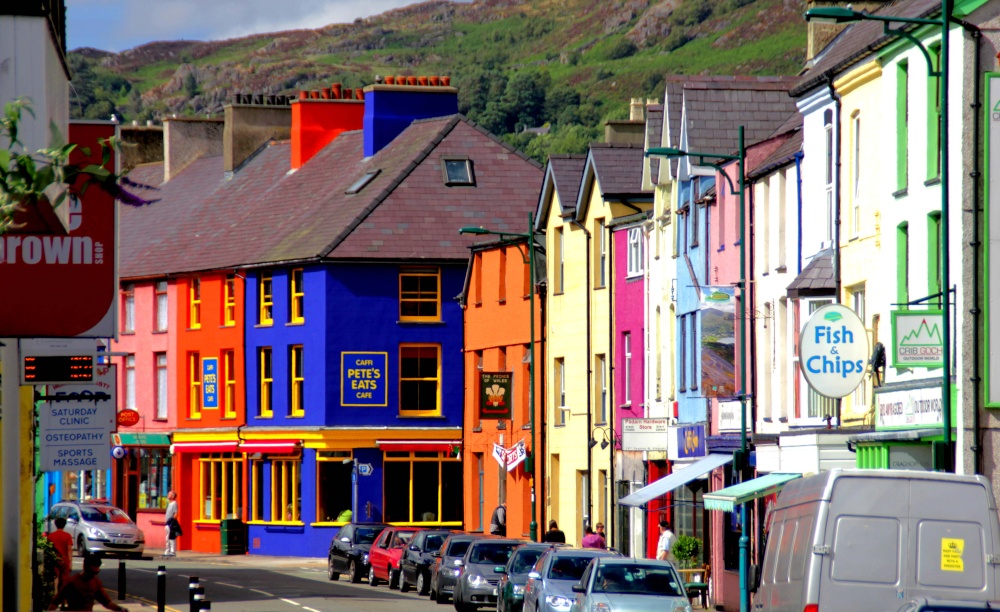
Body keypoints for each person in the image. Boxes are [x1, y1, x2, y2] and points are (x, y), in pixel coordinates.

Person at [48, 554, 129, 611]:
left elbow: (106, 602)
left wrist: (120, 609)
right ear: (84, 567)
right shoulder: (71, 582)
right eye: (91, 572)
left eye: (96, 573)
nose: (93, 575)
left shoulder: (95, 582)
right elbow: (55, 602)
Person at [46, 517, 74, 594]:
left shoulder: (51, 536)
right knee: (64, 580)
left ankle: (55, 594)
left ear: (55, 524)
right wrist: (70, 562)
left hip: (54, 559)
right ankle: (63, 600)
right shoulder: (67, 536)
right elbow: (69, 549)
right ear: (64, 525)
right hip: (64, 560)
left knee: (56, 577)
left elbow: (48, 549)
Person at [164, 490, 178, 557]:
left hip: (170, 524)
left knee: (171, 538)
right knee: (167, 538)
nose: (168, 495)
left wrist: (172, 522)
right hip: (167, 523)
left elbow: (175, 514)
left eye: (169, 494)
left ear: (172, 496)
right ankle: (167, 551)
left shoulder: (174, 503)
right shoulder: (169, 504)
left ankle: (172, 552)